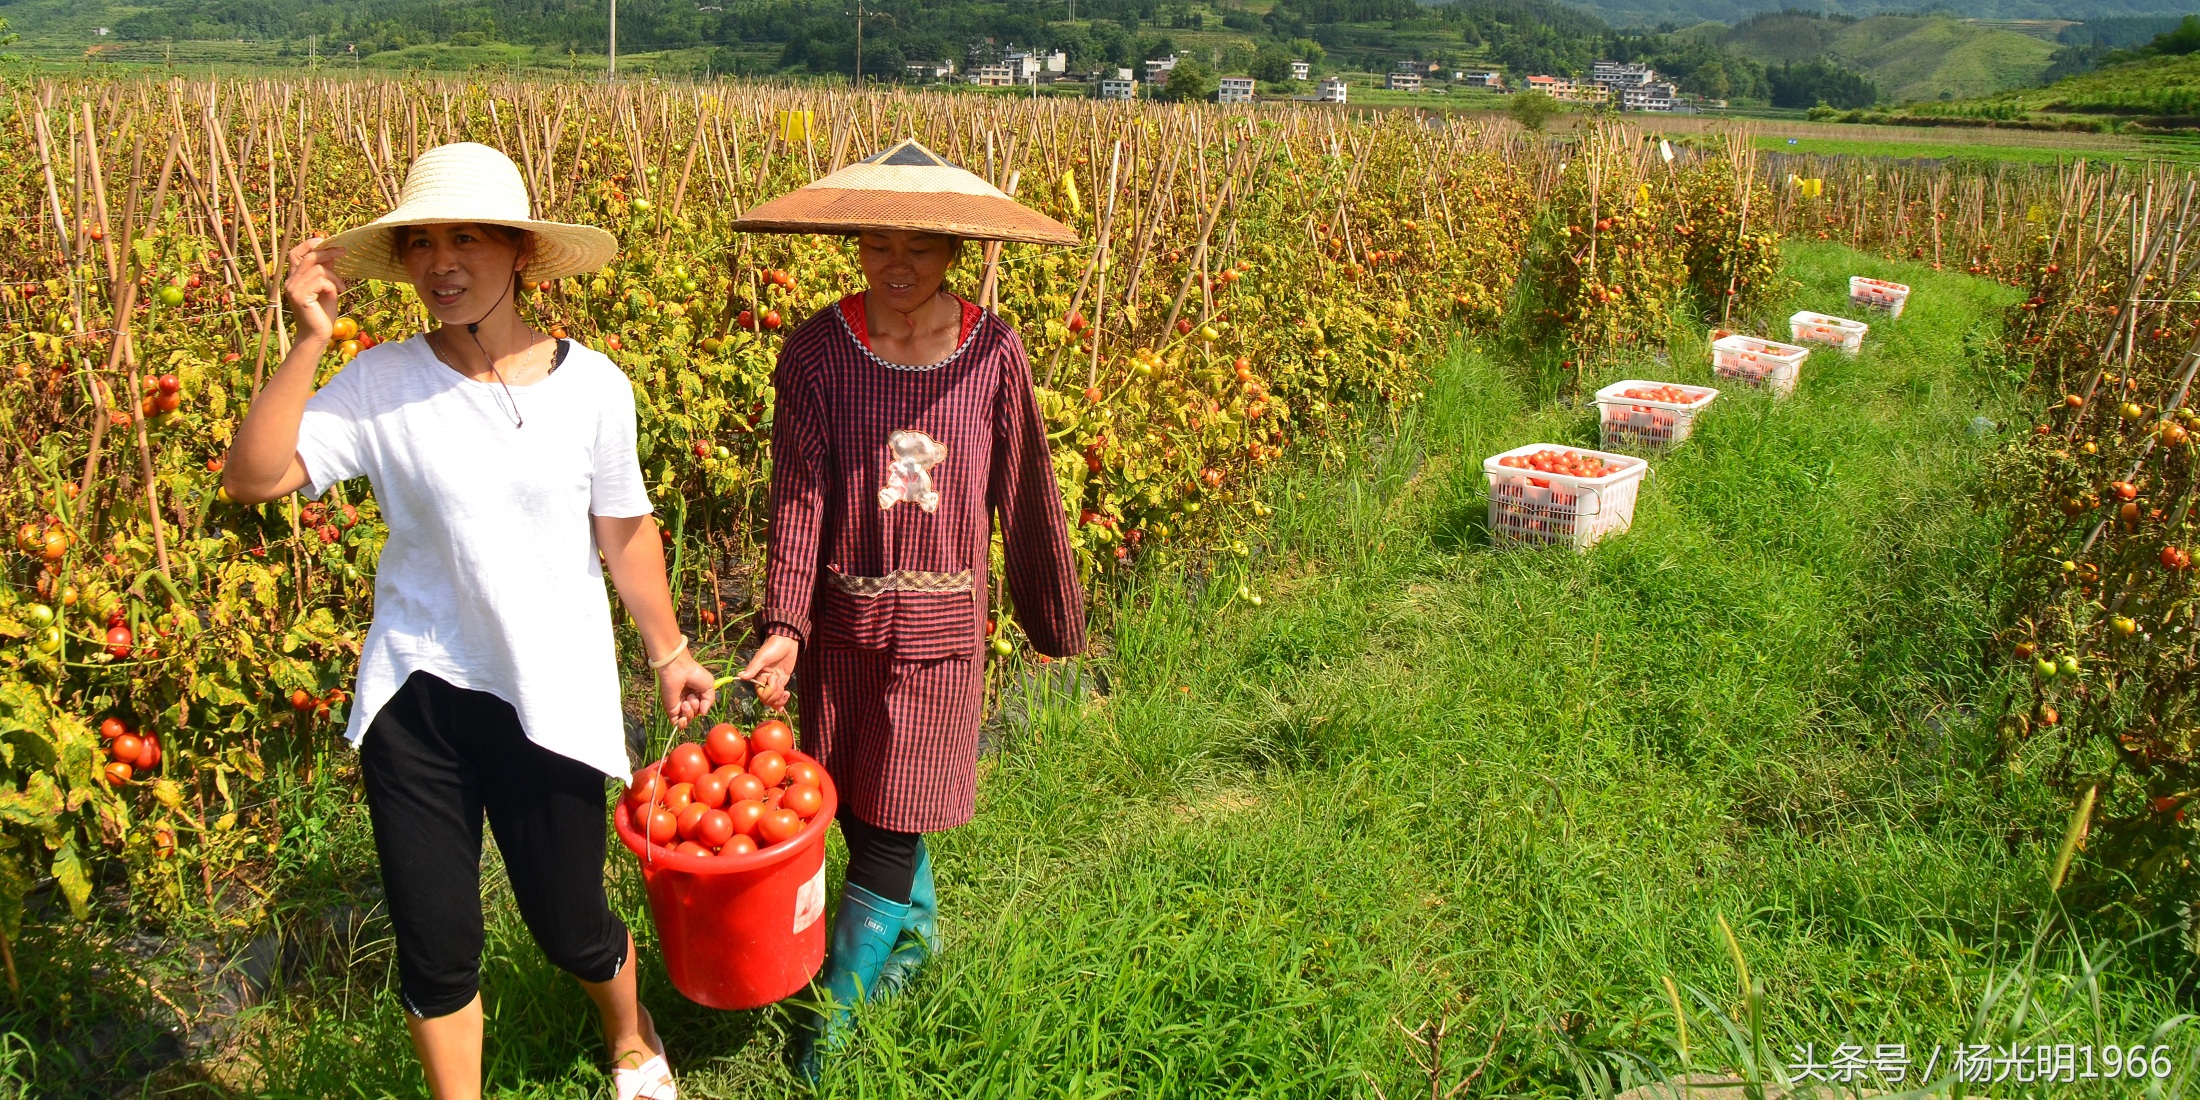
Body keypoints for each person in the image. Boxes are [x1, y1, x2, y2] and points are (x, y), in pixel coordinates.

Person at [220, 142, 707, 1100]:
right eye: (422, 244)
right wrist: (310, 338)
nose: (442, 263)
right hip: (417, 696)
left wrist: (670, 651)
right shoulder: (379, 383)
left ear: (520, 252)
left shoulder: (594, 386)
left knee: (570, 919)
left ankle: (631, 1035)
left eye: (468, 239)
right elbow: (255, 478)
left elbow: (625, 530)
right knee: (437, 944)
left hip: (547, 692)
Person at [729, 138, 1088, 1077]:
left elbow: (1027, 489)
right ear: (854, 242)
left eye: (921, 246)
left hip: (941, 633)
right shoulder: (816, 354)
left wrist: (1050, 612)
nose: (898, 263)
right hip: (847, 627)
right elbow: (801, 496)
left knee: (893, 821)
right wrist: (785, 625)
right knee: (859, 805)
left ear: (955, 252)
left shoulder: (992, 354)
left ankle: (826, 1034)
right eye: (879, 241)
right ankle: (913, 955)